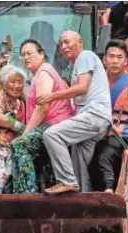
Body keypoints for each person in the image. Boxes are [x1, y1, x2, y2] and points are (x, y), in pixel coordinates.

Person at [36, 31, 112, 195]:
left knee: (52, 135)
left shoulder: (85, 56)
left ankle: (66, 181)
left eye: (67, 42)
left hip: (94, 115)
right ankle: (82, 198)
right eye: (61, 44)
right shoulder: (76, 65)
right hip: (96, 120)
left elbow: (82, 87)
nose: (63, 47)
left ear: (80, 42)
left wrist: (51, 96)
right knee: (78, 160)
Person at [11, 39, 74, 194]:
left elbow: (42, 108)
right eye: (22, 55)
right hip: (49, 126)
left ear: (42, 54)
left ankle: (26, 193)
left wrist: (26, 133)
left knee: (19, 144)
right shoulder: (40, 74)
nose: (25, 57)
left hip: (54, 124)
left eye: (29, 53)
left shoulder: (44, 72)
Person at [91, 40, 128, 193]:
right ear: (104, 60)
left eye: (119, 57)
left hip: (121, 137)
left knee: (104, 155)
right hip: (97, 133)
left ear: (126, 61)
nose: (115, 61)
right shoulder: (96, 82)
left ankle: (109, 192)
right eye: (111, 56)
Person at [0, 65, 27, 194]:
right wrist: (19, 126)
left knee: (9, 176)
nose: (16, 85)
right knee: (0, 174)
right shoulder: (0, 97)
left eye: (20, 82)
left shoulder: (21, 104)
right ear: (4, 84)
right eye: (12, 82)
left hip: (10, 146)